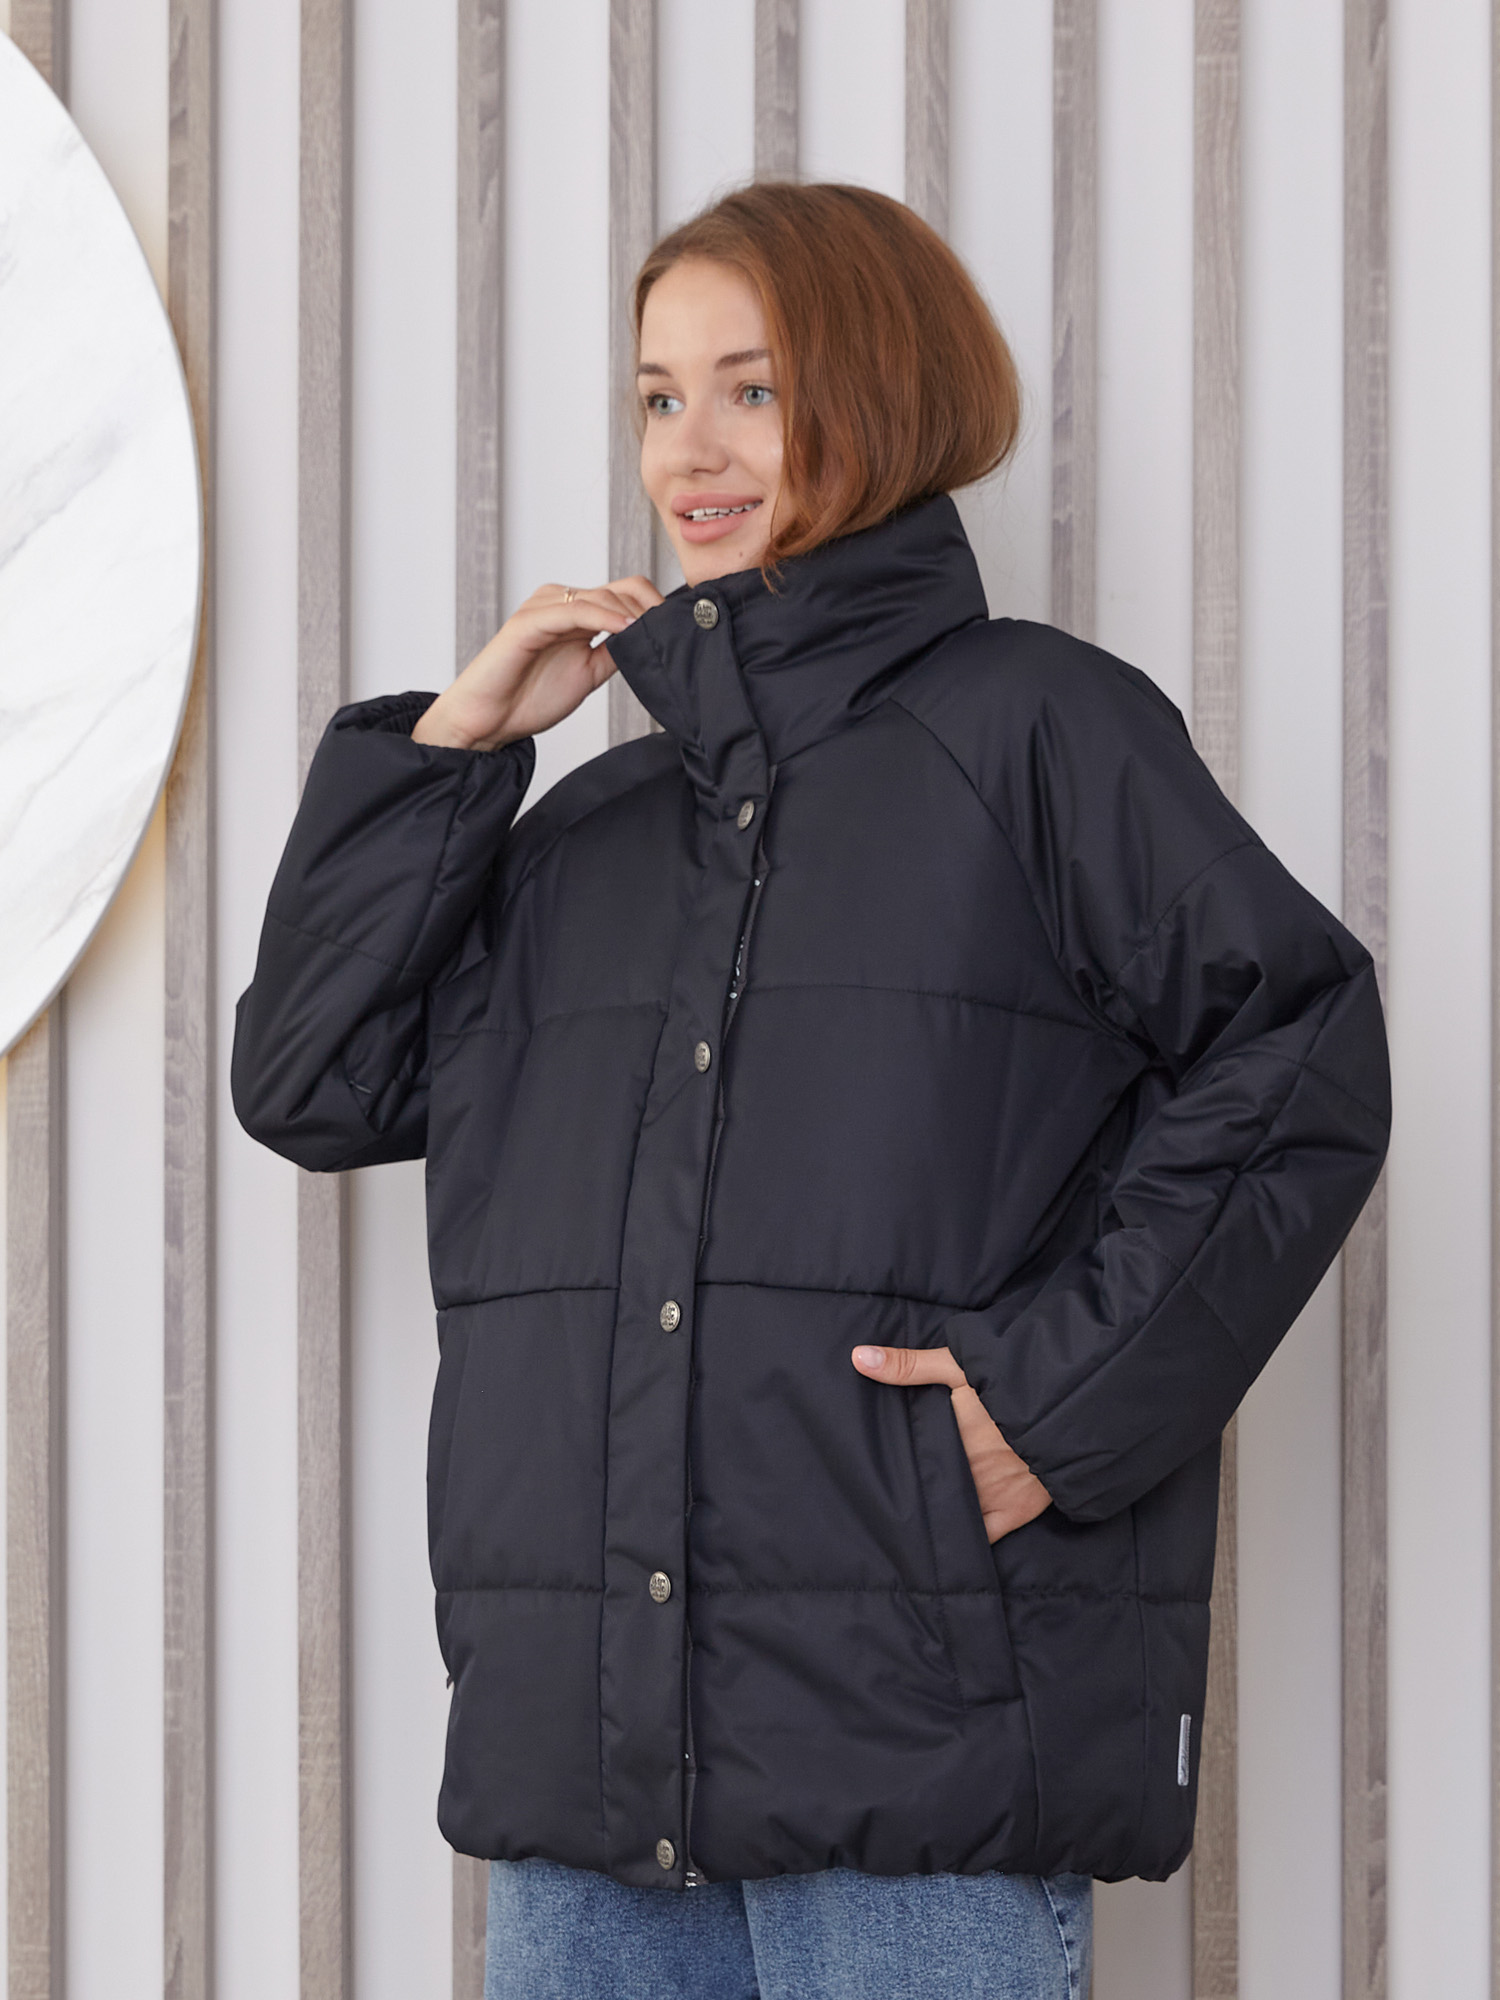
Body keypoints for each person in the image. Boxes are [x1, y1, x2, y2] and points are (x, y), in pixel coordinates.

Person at [231, 182, 1390, 2000]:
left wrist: (1050, 1406)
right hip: (590, 1769)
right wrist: (452, 753)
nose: (690, 450)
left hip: (914, 1750)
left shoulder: (1037, 729)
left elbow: (1300, 1047)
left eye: (752, 390)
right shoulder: (592, 827)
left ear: (883, 394)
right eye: (657, 396)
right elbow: (314, 1079)